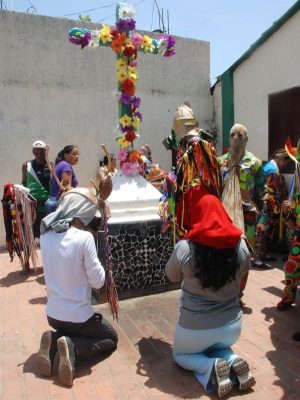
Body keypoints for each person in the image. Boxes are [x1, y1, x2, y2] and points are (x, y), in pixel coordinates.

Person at [166, 187, 255, 398]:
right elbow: (242, 285)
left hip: (193, 330)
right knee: (218, 347)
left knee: (180, 354)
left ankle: (210, 367)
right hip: (232, 328)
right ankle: (231, 361)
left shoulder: (185, 248)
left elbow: (171, 277)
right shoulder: (241, 244)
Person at [36, 188, 118, 386]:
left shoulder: (45, 236)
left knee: (70, 328)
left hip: (53, 316)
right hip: (79, 318)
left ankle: (54, 340)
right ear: (81, 212)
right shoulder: (84, 238)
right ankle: (73, 347)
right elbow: (98, 281)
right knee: (111, 338)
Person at [218, 124, 264, 249]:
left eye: (240, 135)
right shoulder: (220, 163)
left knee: (244, 252)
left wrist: (263, 219)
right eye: (232, 135)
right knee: (225, 251)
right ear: (228, 138)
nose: (236, 138)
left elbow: (262, 192)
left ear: (246, 139)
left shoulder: (255, 163)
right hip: (224, 214)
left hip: (247, 215)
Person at [253, 149, 289, 268]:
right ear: (280, 158)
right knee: (263, 231)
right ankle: (257, 258)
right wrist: (277, 208)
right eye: (285, 162)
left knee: (265, 231)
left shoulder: (269, 167)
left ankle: (262, 254)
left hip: (265, 203)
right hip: (268, 205)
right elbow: (271, 192)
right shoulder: (273, 171)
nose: (285, 165)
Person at [276, 138, 300, 313]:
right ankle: (288, 297)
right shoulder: (297, 192)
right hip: (298, 239)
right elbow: (292, 222)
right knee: (291, 267)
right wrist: (287, 211)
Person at [21, 140, 52, 239]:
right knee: (31, 235)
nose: (39, 155)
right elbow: (24, 182)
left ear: (45, 152)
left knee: (47, 234)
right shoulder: (26, 166)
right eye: (36, 152)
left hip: (47, 205)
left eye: (41, 152)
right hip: (32, 205)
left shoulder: (51, 166)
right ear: (33, 152)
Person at [45, 145, 79, 214]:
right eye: (74, 154)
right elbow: (67, 187)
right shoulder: (66, 166)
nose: (77, 157)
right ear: (66, 155)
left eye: (78, 154)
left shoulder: (61, 164)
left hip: (53, 201)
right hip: (59, 203)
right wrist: (83, 192)